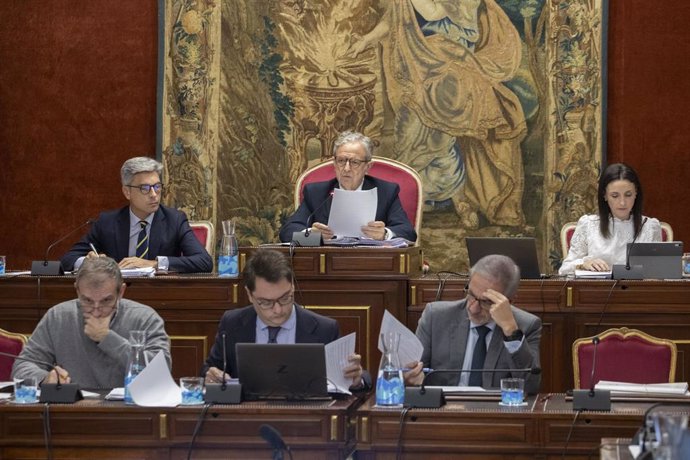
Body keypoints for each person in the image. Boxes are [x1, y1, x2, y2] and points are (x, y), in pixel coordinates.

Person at [202, 248, 370, 391]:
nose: (278, 309)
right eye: (266, 302)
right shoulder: (232, 323)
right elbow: (209, 370)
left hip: (306, 422)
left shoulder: (324, 329)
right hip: (246, 419)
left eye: (285, 298)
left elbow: (358, 379)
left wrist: (356, 379)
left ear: (293, 287)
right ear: (249, 295)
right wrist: (211, 377)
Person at [12, 257, 170, 389]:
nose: (96, 310)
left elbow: (161, 372)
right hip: (71, 411)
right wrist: (45, 379)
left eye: (106, 300)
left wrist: (107, 338)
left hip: (131, 413)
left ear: (121, 292)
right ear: (77, 290)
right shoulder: (58, 316)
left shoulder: (145, 318)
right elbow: (22, 367)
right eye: (87, 300)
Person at [404, 254, 541, 394]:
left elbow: (530, 386)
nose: (473, 308)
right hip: (444, 410)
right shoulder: (436, 317)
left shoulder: (526, 325)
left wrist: (511, 331)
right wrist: (411, 377)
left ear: (509, 302)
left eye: (486, 302)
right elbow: (414, 374)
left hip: (495, 412)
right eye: (471, 294)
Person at [60, 156, 213, 273]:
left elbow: (204, 262)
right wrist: (88, 262)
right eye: (145, 188)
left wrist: (154, 264)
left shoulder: (175, 220)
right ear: (127, 192)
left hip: (160, 297)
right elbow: (68, 260)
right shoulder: (108, 222)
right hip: (118, 298)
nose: (154, 194)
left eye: (157, 186)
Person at [278, 131, 417, 242]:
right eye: (341, 161)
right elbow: (287, 232)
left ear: (368, 167)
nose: (346, 168)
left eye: (354, 162)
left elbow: (408, 232)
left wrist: (384, 234)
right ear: (334, 163)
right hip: (327, 266)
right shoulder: (316, 192)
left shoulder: (386, 191)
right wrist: (311, 236)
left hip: (371, 265)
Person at [559, 163, 662, 275]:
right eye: (615, 196)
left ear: (636, 193)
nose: (622, 202)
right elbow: (564, 269)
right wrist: (583, 264)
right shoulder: (588, 225)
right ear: (605, 195)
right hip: (596, 290)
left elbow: (659, 273)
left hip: (636, 291)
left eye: (628, 195)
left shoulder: (650, 227)